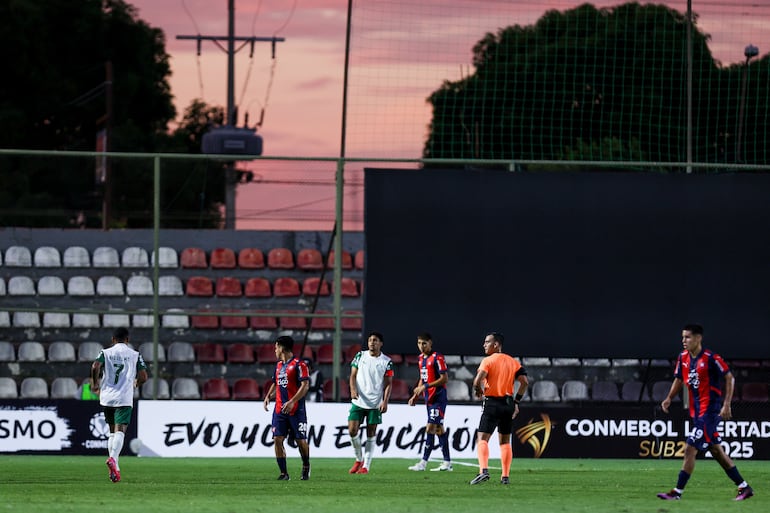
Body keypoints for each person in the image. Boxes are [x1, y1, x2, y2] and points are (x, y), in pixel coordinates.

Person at [657, 324, 754, 501]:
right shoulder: (683, 357)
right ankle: (744, 487)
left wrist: (727, 405)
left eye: (687, 337)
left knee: (690, 448)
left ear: (698, 338)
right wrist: (669, 397)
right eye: (682, 337)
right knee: (716, 451)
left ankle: (677, 492)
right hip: (697, 413)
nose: (683, 341)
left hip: (710, 412)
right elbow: (679, 379)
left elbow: (729, 377)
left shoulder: (711, 358)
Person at [469, 332, 528, 485]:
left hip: (492, 403)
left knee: (482, 439)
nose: (484, 345)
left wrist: (477, 389)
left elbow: (478, 380)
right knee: (505, 441)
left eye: (487, 342)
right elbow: (525, 382)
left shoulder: (488, 360)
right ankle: (505, 477)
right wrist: (516, 402)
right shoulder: (513, 362)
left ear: (496, 345)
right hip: (508, 404)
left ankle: (483, 471)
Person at [90, 327, 148, 483]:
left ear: (112, 339)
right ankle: (113, 459)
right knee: (120, 431)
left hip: (107, 397)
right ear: (127, 340)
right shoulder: (135, 355)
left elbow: (95, 366)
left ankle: (116, 469)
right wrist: (136, 382)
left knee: (111, 432)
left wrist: (95, 384)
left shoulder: (105, 352)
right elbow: (144, 376)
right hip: (123, 398)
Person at [263, 335, 312, 481]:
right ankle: (284, 473)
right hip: (279, 410)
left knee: (300, 441)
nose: (275, 350)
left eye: (276, 347)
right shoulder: (278, 366)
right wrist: (268, 396)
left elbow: (305, 386)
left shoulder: (299, 365)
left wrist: (292, 401)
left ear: (282, 348)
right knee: (277, 439)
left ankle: (306, 466)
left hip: (296, 410)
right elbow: (276, 383)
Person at [347, 331, 394, 475]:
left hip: (375, 403)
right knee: (352, 430)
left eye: (375, 340)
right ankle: (358, 459)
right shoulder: (360, 356)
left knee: (371, 433)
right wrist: (353, 390)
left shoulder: (387, 361)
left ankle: (366, 465)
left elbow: (388, 384)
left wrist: (385, 402)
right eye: (370, 340)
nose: (372, 343)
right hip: (359, 400)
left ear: (381, 343)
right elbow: (352, 375)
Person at [407, 332, 452, 471]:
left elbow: (444, 379)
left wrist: (426, 386)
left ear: (430, 343)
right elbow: (423, 377)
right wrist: (416, 395)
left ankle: (423, 463)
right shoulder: (421, 358)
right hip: (429, 398)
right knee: (439, 429)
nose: (421, 346)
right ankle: (447, 463)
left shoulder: (437, 357)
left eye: (424, 343)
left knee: (430, 428)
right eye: (419, 343)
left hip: (439, 397)